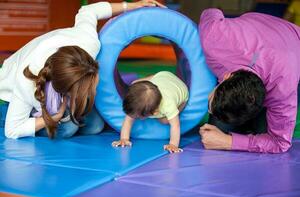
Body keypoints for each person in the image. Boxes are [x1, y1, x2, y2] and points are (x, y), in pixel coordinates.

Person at [0, 0, 165, 139]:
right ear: (66, 91)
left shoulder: (88, 43)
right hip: (12, 91)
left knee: (95, 126)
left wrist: (130, 6)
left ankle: (68, 113)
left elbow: (88, 11)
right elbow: (12, 130)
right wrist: (52, 118)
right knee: (68, 130)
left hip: (61, 85)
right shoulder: (26, 83)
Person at [198, 8, 300, 153]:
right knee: (217, 129)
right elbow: (211, 11)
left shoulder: (282, 89)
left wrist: (228, 142)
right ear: (227, 77)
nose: (208, 107)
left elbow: (280, 142)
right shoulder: (214, 36)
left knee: (259, 132)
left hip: (292, 42)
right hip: (253, 26)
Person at [112, 71, 189, 153]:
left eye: (137, 117)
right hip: (162, 75)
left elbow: (175, 125)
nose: (132, 117)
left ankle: (153, 77)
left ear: (154, 113)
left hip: (181, 89)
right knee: (135, 84)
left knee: (164, 121)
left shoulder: (168, 105)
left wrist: (173, 144)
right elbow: (128, 119)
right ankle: (153, 76)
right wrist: (124, 139)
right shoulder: (142, 101)